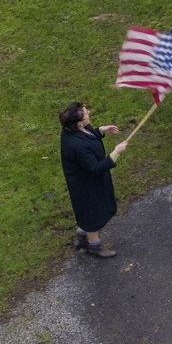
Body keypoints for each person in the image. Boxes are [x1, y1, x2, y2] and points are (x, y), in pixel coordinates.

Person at [60, 100, 127, 258]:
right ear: (79, 123)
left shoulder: (73, 131)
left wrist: (102, 130)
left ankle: (81, 236)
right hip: (86, 185)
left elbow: (89, 135)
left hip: (86, 181)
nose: (88, 112)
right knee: (92, 213)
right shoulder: (78, 146)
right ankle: (93, 246)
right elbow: (96, 168)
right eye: (85, 112)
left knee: (87, 211)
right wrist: (116, 152)